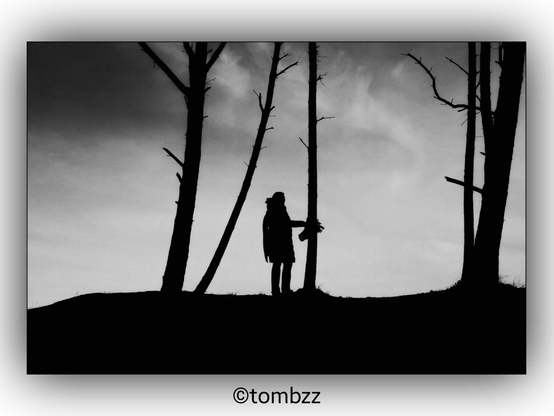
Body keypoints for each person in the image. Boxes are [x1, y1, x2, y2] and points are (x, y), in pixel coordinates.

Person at [262, 192, 306, 296]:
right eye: (280, 197)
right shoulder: (273, 211)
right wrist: (302, 223)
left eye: (283, 197)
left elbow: (287, 224)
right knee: (279, 265)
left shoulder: (279, 210)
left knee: (286, 264)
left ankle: (283, 289)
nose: (282, 199)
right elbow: (286, 224)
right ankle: (278, 291)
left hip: (284, 242)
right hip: (277, 242)